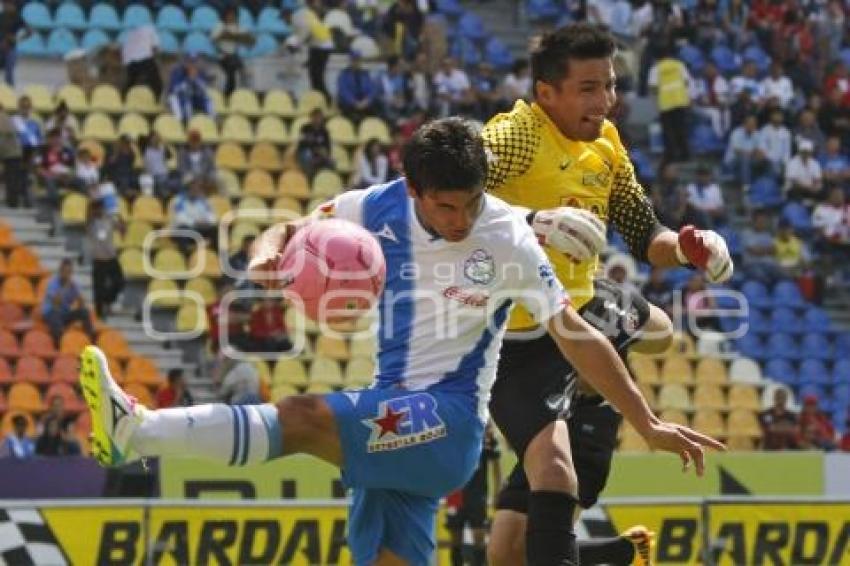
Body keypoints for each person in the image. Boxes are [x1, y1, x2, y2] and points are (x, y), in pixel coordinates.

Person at [81, 117, 722, 566]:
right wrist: (267, 257)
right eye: (447, 207)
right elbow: (288, 226)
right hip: (393, 410)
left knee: (303, 416)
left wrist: (649, 420)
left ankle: (135, 431)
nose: (462, 218)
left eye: (472, 202)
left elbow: (576, 335)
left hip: (447, 422)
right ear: (413, 191)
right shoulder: (374, 208)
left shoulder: (506, 238)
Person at [482, 24, 733, 566]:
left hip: (572, 310)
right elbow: (448, 188)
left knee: (662, 335)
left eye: (610, 86)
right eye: (588, 89)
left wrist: (691, 246)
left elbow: (646, 235)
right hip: (511, 333)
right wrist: (533, 221)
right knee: (504, 554)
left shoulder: (606, 143)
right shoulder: (519, 135)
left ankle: (595, 366)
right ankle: (617, 555)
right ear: (546, 93)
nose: (605, 102)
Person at [446, 421, 501, 566]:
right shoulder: (451, 432)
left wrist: (497, 492)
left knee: (479, 536)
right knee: (455, 537)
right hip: (455, 493)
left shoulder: (483, 431)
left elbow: (496, 463)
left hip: (477, 493)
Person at [648, 43, 692, 163]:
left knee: (668, 131)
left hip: (665, 103)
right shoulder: (679, 65)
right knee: (681, 129)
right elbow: (687, 82)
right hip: (680, 100)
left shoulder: (656, 68)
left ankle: (671, 155)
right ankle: (685, 155)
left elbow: (653, 86)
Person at [42, 259, 96, 345]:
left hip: (64, 313)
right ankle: (59, 345)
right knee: (56, 320)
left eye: (69, 272)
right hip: (51, 312)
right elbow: (56, 303)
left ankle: (90, 340)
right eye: (65, 271)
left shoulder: (73, 285)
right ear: (60, 271)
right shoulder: (53, 283)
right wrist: (65, 287)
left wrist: (79, 296)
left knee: (84, 312)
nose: (67, 274)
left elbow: (81, 305)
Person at [87, 199, 125, 318]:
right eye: (96, 208)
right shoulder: (91, 222)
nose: (98, 210)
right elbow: (87, 216)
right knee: (98, 289)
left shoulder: (109, 219)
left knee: (120, 282)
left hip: (111, 257)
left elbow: (122, 229)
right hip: (98, 259)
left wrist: (119, 217)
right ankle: (100, 314)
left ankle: (108, 301)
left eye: (100, 207)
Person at [212, 7, 252, 97]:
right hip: (222, 55)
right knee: (233, 66)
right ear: (225, 15)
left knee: (238, 66)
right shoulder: (220, 25)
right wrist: (227, 35)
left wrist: (238, 36)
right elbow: (214, 39)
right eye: (229, 14)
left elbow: (249, 39)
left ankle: (240, 92)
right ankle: (228, 93)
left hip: (233, 56)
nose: (231, 17)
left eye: (233, 15)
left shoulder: (237, 27)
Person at [122, 24, 162, 99]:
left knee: (131, 82)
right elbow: (155, 47)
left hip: (130, 61)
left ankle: (124, 98)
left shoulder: (131, 33)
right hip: (144, 57)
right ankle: (157, 99)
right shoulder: (151, 29)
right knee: (157, 82)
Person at [0, 0, 31, 86]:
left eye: (9, 4)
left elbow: (29, 32)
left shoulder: (17, 17)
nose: (7, 6)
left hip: (10, 49)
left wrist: (17, 39)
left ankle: (10, 94)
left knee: (9, 74)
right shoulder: (1, 16)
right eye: (5, 4)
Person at [0, 101, 25, 208]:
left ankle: (13, 202)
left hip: (10, 152)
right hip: (13, 152)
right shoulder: (8, 117)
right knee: (13, 179)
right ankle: (13, 202)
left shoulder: (2, 118)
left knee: (11, 179)